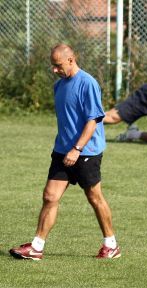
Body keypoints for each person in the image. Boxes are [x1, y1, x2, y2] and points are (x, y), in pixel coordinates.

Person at [9, 44, 120, 260]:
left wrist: (77, 149)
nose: (54, 70)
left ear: (71, 59)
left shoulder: (87, 83)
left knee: (94, 197)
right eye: (52, 66)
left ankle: (111, 245)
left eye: (57, 65)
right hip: (62, 150)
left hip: (85, 151)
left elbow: (93, 121)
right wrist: (67, 148)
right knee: (50, 196)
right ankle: (36, 247)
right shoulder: (59, 86)